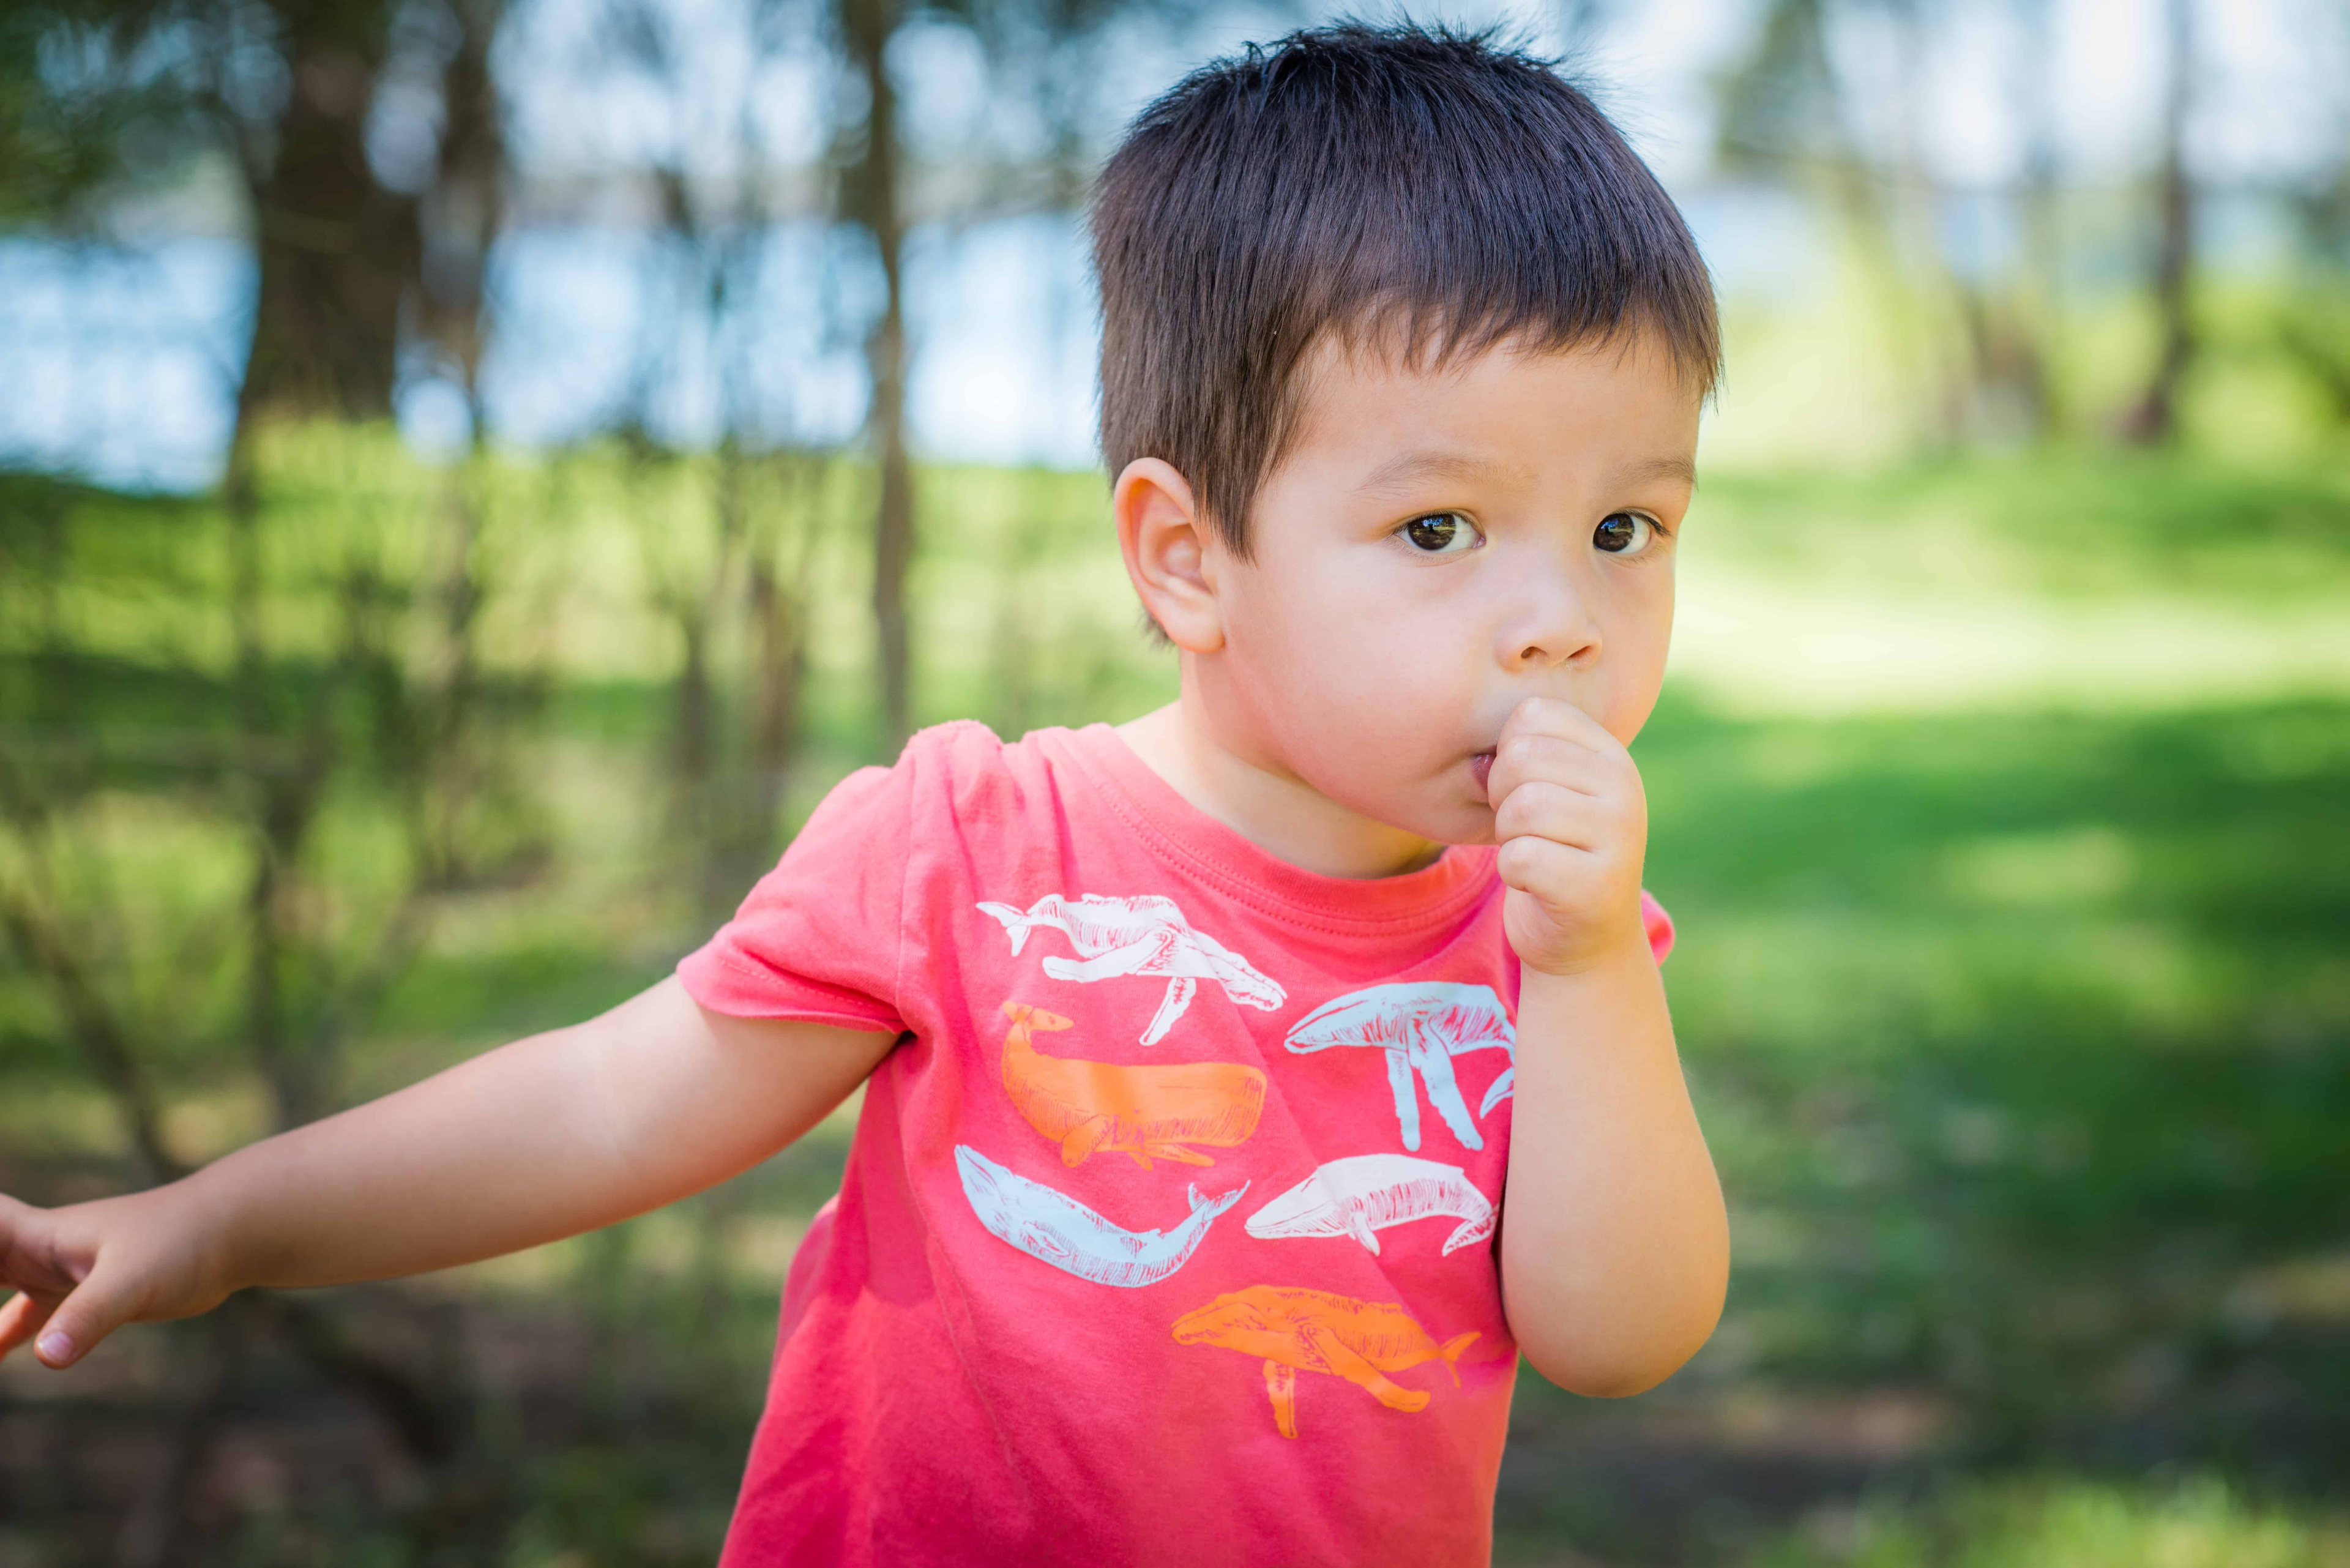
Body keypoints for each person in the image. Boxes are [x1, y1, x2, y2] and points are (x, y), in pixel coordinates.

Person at [0, 21, 1728, 1566]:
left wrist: (1583, 969)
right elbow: (612, 1103)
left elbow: (1616, 1332)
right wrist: (221, 1224)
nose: (1561, 624)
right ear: (1189, 559)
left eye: (1624, 529)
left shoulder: (1551, 936)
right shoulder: (973, 851)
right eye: (1440, 530)